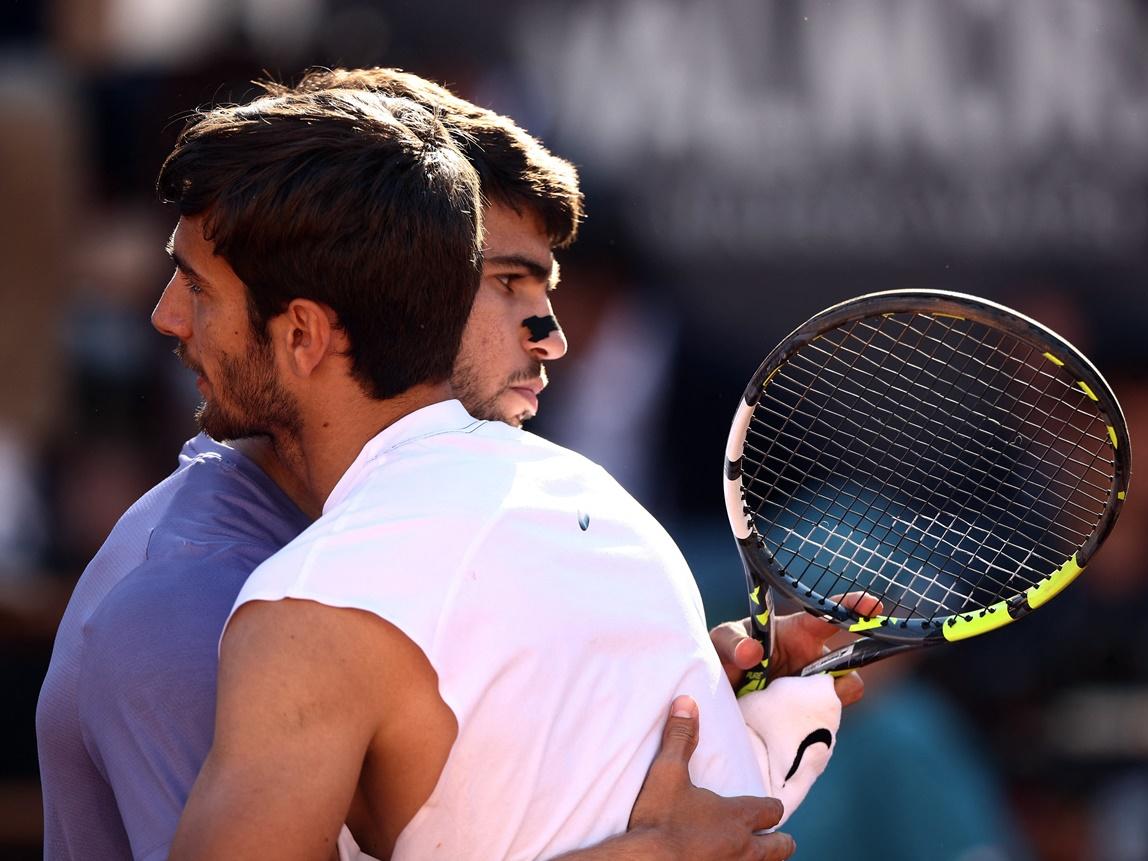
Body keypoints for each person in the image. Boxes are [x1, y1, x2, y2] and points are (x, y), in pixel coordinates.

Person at [37, 72, 860, 861]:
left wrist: (645, 709)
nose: (549, 333)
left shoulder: (547, 516)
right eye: (504, 281)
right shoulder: (196, 609)